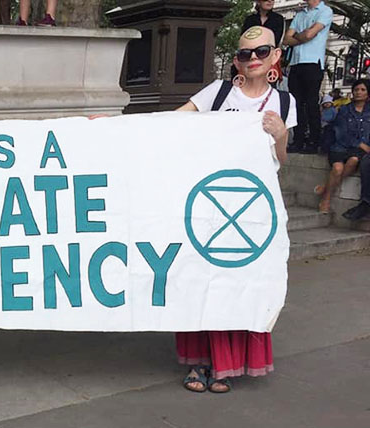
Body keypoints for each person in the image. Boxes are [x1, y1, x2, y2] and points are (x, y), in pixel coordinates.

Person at [175, 26, 296, 393]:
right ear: (236, 60)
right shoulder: (219, 92)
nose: (254, 59)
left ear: (276, 56)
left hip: (253, 209)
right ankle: (199, 362)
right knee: (201, 280)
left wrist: (280, 136)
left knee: (239, 284)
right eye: (245, 54)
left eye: (261, 52)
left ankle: (226, 363)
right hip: (208, 205)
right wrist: (115, 128)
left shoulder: (285, 103)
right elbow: (172, 122)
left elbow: (282, 161)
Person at [283, 0, 333, 154]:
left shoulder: (325, 11)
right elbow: (286, 39)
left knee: (311, 103)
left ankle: (313, 140)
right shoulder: (299, 14)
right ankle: (298, 140)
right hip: (296, 63)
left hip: (313, 62)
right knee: (296, 103)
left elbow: (310, 34)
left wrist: (299, 36)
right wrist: (303, 36)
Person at [315, 80, 370, 213]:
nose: (358, 92)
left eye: (362, 90)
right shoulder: (344, 109)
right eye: (356, 90)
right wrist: (362, 145)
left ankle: (325, 190)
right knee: (338, 168)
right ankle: (326, 199)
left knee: (353, 161)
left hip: (356, 152)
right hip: (341, 146)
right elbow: (342, 133)